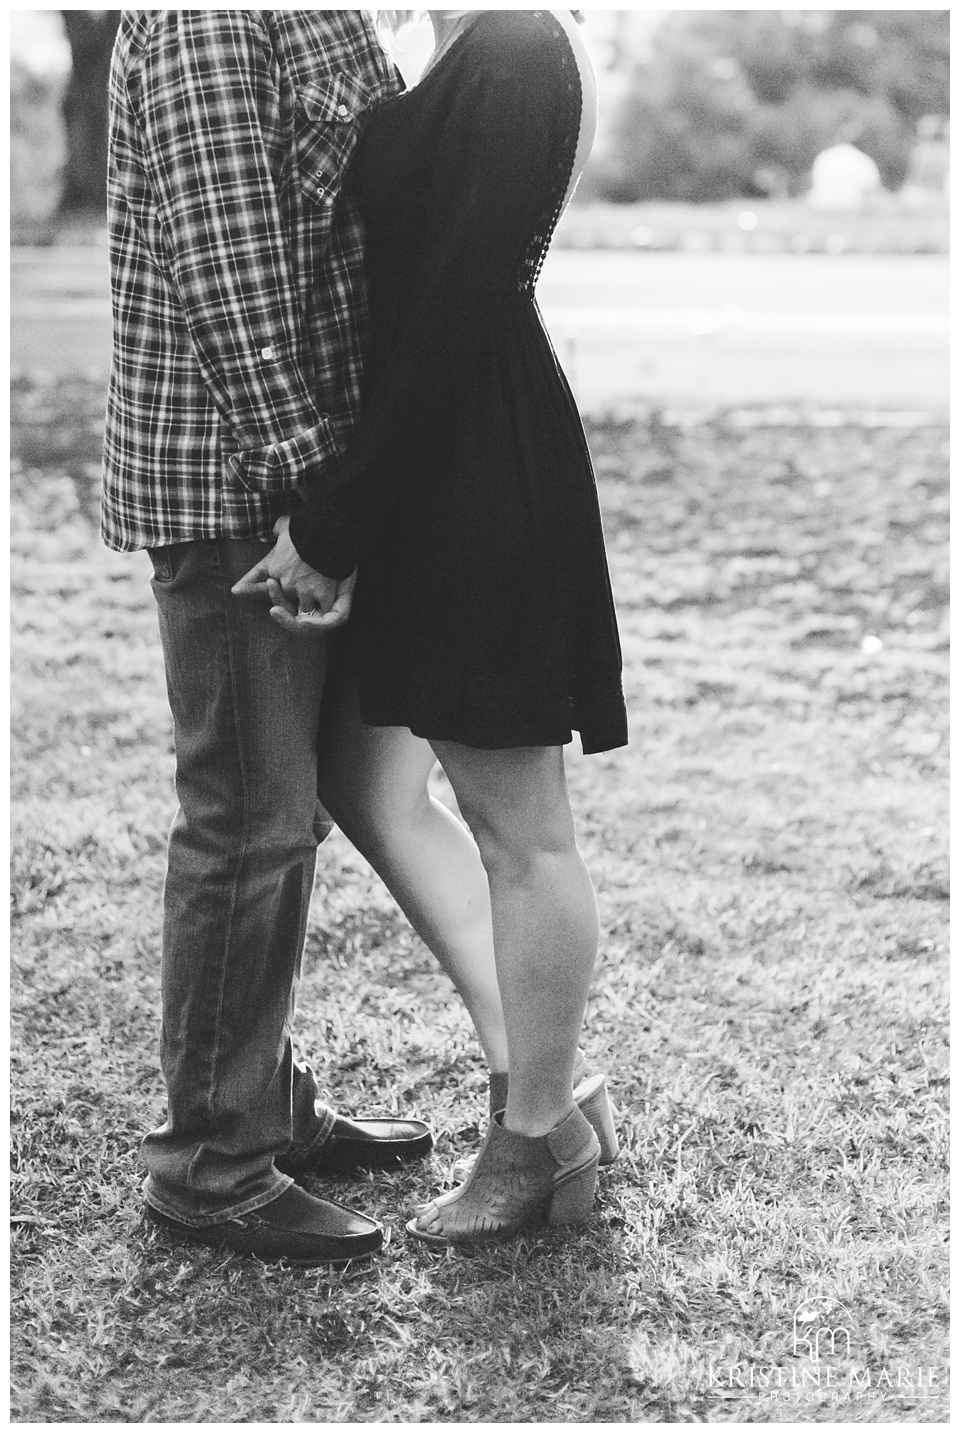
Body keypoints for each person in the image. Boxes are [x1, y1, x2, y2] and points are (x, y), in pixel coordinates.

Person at [234, 9, 629, 1247]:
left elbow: (452, 307)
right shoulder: (452, 43)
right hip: (436, 456)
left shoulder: (515, 43)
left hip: (479, 465)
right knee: (365, 772)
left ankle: (534, 1135)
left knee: (522, 826)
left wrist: (335, 523)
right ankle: (551, 1088)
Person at [101, 10, 436, 1268]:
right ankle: (211, 1165)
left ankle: (262, 1104)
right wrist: (314, 495)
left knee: (278, 812)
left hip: (287, 480)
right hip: (239, 491)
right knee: (247, 816)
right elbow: (233, 265)